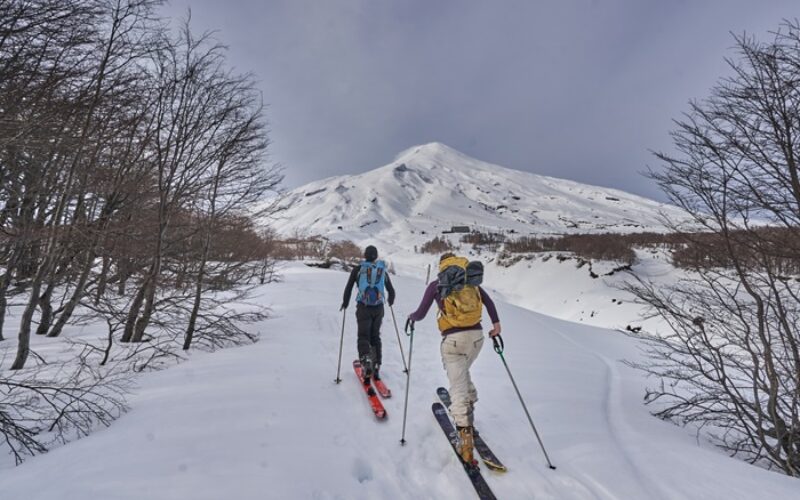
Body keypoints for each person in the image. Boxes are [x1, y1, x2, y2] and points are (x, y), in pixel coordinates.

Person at [407, 252, 501, 463]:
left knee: (457, 387)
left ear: (442, 266)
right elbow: (488, 302)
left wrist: (411, 318)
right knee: (462, 373)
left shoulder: (438, 284)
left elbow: (420, 313)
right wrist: (496, 325)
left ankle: (465, 439)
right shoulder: (470, 280)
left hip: (453, 342)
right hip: (477, 339)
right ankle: (470, 404)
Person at [341, 245, 395, 384]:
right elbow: (391, 291)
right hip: (378, 308)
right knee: (375, 335)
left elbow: (348, 288)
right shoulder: (382, 270)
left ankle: (366, 361)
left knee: (363, 335)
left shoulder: (358, 269)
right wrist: (390, 301)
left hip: (363, 307)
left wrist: (345, 303)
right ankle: (376, 365)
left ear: (365, 255)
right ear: (376, 256)